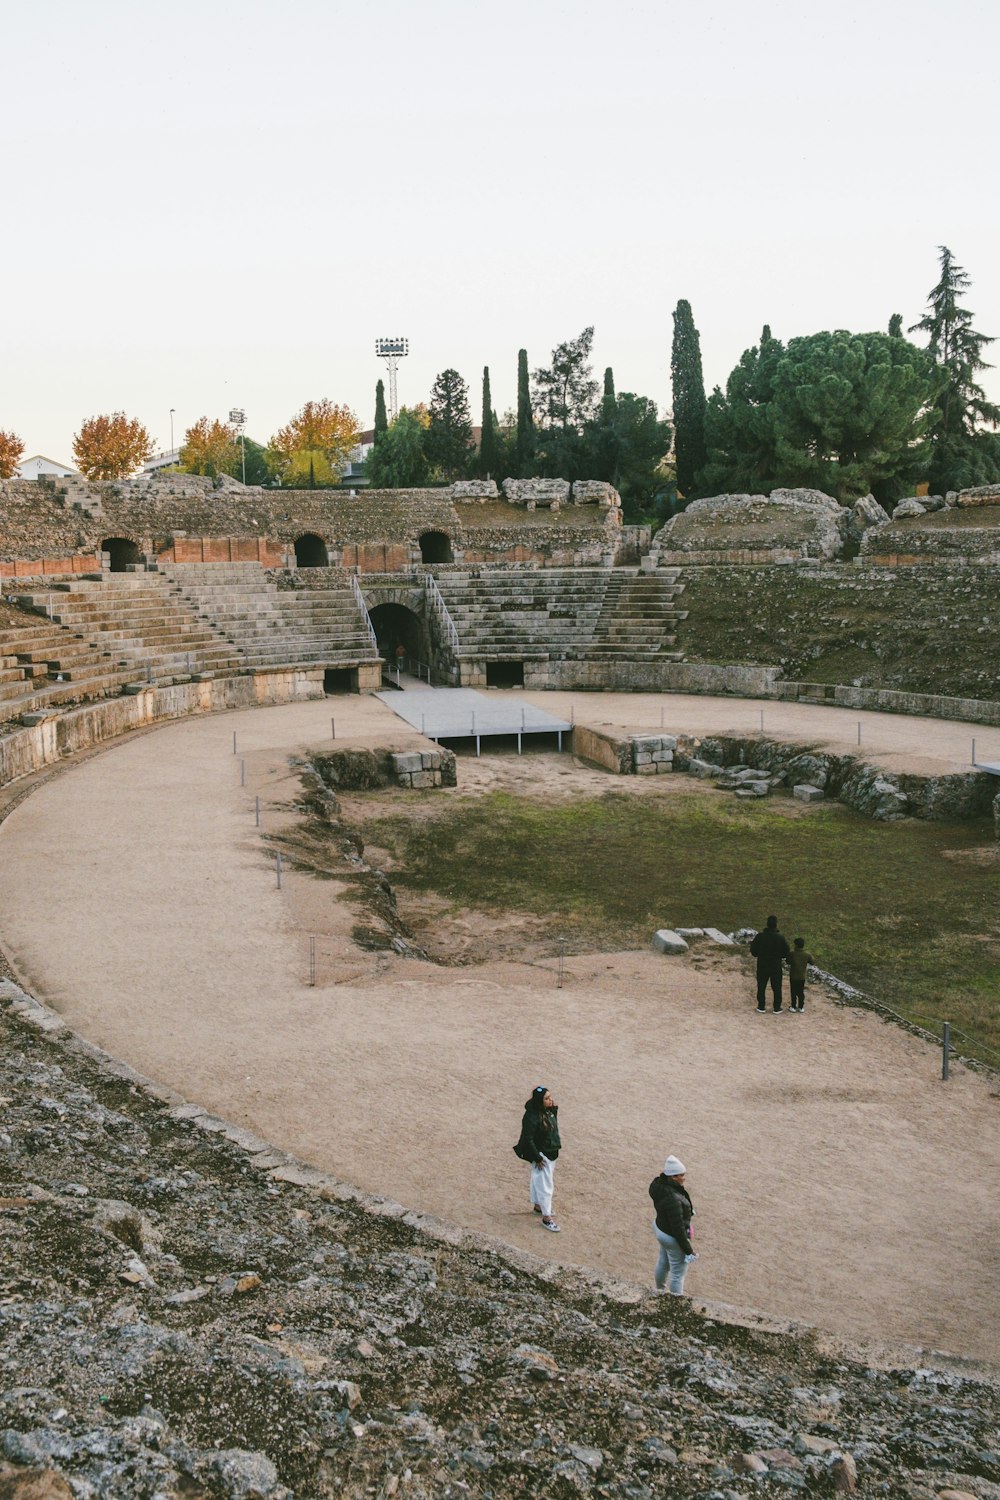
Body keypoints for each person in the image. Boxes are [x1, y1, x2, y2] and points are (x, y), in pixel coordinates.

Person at [649, 1154, 697, 1295]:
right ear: (673, 1177)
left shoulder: (657, 1185)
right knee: (678, 1274)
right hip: (670, 1235)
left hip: (660, 1228)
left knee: (663, 1263)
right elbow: (678, 1229)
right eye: (681, 1175)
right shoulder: (674, 1199)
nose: (684, 1177)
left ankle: (659, 1290)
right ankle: (676, 1300)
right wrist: (688, 1250)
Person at [517, 1085, 561, 1232]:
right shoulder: (532, 1116)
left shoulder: (548, 1111)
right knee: (545, 1186)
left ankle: (538, 1206)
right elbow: (528, 1138)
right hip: (542, 1155)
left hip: (551, 1151)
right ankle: (547, 1217)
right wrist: (537, 1157)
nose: (551, 1100)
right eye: (547, 1098)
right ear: (539, 1101)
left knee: (538, 1181)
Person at [750, 915, 791, 1012]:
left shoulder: (760, 936)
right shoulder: (780, 938)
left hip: (762, 964)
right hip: (775, 965)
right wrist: (779, 956)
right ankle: (777, 1007)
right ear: (776, 925)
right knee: (776, 987)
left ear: (767, 924)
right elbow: (786, 952)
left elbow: (753, 951)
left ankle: (761, 1006)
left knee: (761, 986)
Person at [787, 936, 815, 1013]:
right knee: (800, 992)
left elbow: (787, 962)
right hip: (802, 976)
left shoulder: (792, 953)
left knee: (793, 991)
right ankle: (801, 1007)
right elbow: (812, 962)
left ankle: (793, 1006)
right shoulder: (807, 954)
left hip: (793, 976)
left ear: (795, 945)